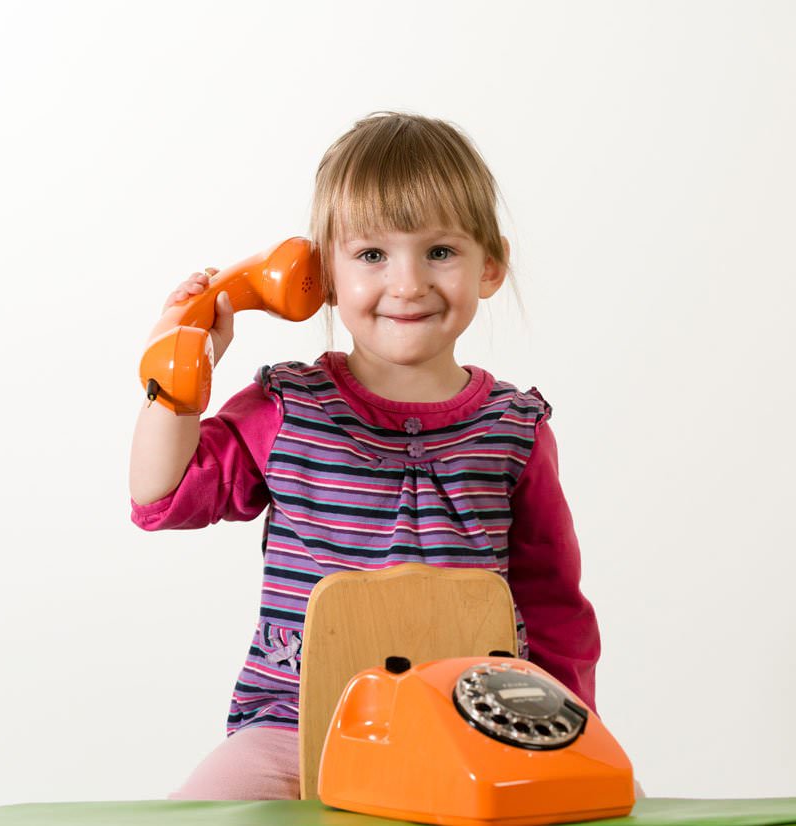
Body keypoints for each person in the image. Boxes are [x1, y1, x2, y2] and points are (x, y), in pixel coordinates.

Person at [129, 111, 605, 801]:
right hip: (295, 726)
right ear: (322, 271)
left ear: (490, 265)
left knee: (615, 804)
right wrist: (175, 380)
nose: (407, 283)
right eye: (372, 255)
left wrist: (567, 724)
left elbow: (552, 601)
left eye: (439, 251)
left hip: (474, 726)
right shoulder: (285, 408)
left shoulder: (515, 430)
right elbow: (161, 498)